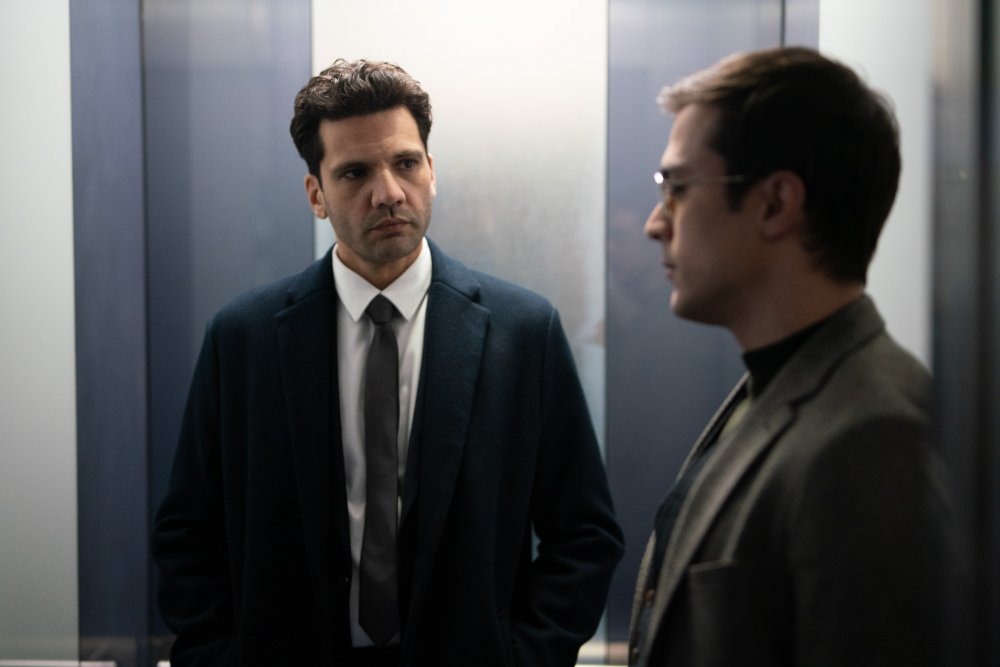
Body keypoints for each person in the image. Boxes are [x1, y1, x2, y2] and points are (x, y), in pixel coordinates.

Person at [152, 58, 623, 667]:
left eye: (405, 163)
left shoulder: (523, 332)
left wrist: (522, 657)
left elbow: (584, 535)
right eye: (355, 172)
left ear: (432, 171)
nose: (389, 193)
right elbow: (188, 534)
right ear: (316, 195)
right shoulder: (244, 339)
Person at [628, 47, 953, 666]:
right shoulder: (779, 385)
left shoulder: (872, 435)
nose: (655, 224)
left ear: (777, 204)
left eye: (677, 189)